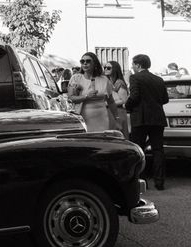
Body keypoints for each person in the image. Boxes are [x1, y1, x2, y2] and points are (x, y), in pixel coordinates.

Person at [125, 54, 169, 190]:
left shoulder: (135, 77)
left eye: (133, 64)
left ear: (138, 65)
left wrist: (127, 106)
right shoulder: (159, 79)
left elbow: (134, 96)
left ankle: (141, 180)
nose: (132, 67)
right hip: (157, 118)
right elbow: (165, 99)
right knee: (158, 150)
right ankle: (160, 182)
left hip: (141, 118)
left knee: (139, 150)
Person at [68, 52, 118, 132]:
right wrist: (86, 96)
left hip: (101, 118)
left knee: (101, 141)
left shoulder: (104, 80)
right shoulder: (76, 78)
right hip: (82, 118)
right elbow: (71, 98)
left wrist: (117, 118)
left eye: (88, 61)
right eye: (82, 61)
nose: (85, 63)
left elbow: (111, 101)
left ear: (95, 63)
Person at [104, 60, 129, 138]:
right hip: (111, 112)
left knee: (118, 136)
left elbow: (123, 100)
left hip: (118, 112)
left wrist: (108, 104)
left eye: (108, 68)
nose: (105, 69)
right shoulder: (108, 81)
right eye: (105, 67)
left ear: (115, 69)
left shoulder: (119, 83)